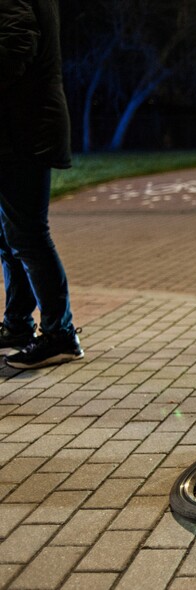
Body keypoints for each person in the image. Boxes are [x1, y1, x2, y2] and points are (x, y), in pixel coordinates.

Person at [0, 0, 82, 369]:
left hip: (25, 130)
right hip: (21, 127)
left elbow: (17, 42)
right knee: (11, 237)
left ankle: (60, 334)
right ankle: (18, 324)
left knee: (28, 236)